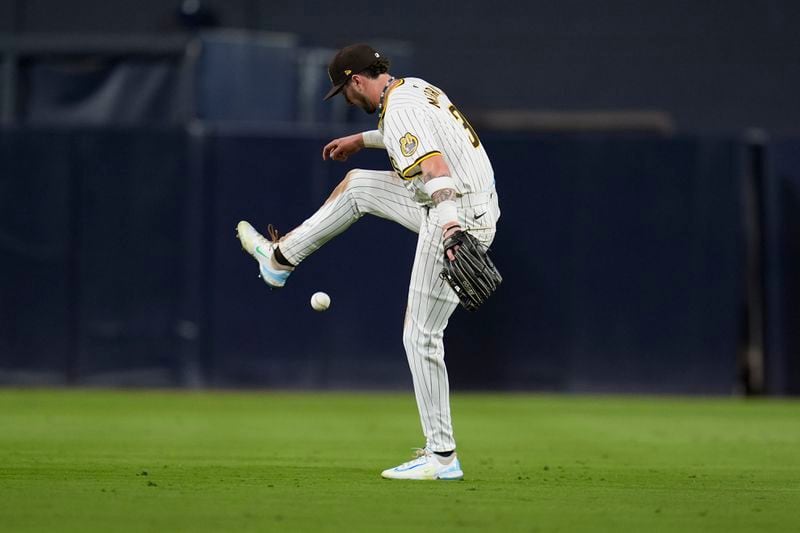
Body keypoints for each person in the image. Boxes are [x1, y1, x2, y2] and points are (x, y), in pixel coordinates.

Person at [236, 43, 500, 480]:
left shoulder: (398, 112)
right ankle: (280, 259)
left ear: (356, 80)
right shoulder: (414, 89)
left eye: (345, 90)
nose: (347, 99)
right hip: (473, 202)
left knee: (421, 336)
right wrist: (362, 140)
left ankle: (442, 456)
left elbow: (434, 167)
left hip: (452, 209)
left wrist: (451, 228)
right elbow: (423, 138)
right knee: (358, 186)